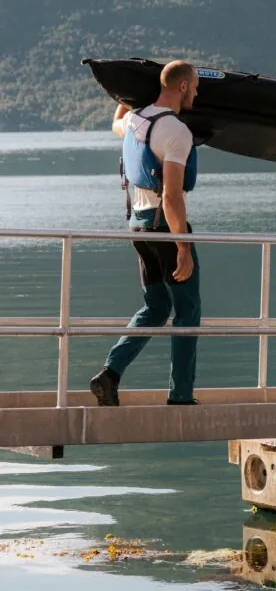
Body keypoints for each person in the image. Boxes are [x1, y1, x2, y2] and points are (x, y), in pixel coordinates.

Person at [89, 61, 201, 407]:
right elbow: (171, 196)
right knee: (187, 311)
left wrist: (129, 94)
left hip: (137, 226)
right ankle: (181, 395)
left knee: (155, 306)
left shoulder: (134, 121)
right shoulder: (176, 132)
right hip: (164, 228)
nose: (197, 93)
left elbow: (115, 122)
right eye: (195, 86)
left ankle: (109, 373)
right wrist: (182, 246)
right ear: (182, 86)